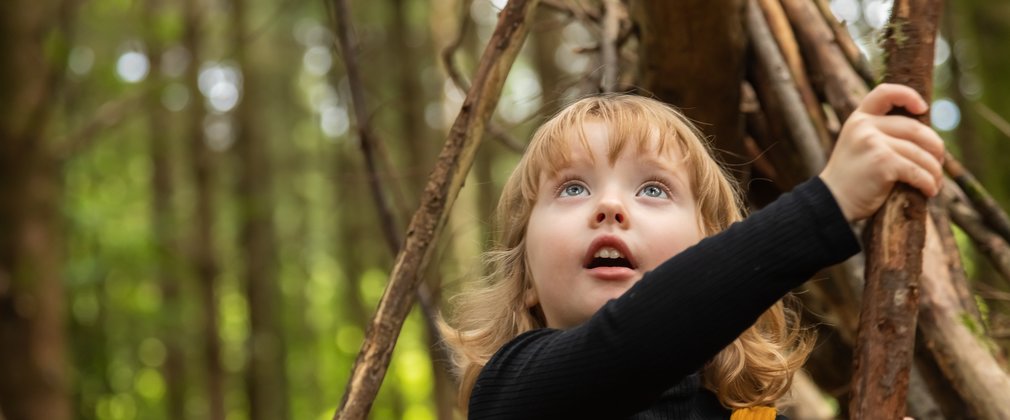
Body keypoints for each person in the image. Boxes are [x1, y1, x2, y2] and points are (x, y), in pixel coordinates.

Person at [438, 84, 945, 419]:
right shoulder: (513, 391)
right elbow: (631, 341)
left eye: (653, 190)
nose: (610, 206)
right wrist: (826, 204)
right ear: (526, 279)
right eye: (572, 189)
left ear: (712, 250)